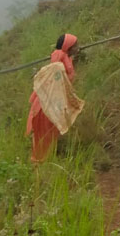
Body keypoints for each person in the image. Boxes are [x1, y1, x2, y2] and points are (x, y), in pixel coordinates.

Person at [26, 33, 79, 162]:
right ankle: (38, 162)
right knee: (44, 130)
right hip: (49, 101)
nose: (79, 48)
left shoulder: (66, 57)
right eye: (76, 46)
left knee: (51, 130)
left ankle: (47, 158)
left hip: (56, 100)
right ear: (69, 46)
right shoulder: (59, 56)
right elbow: (56, 67)